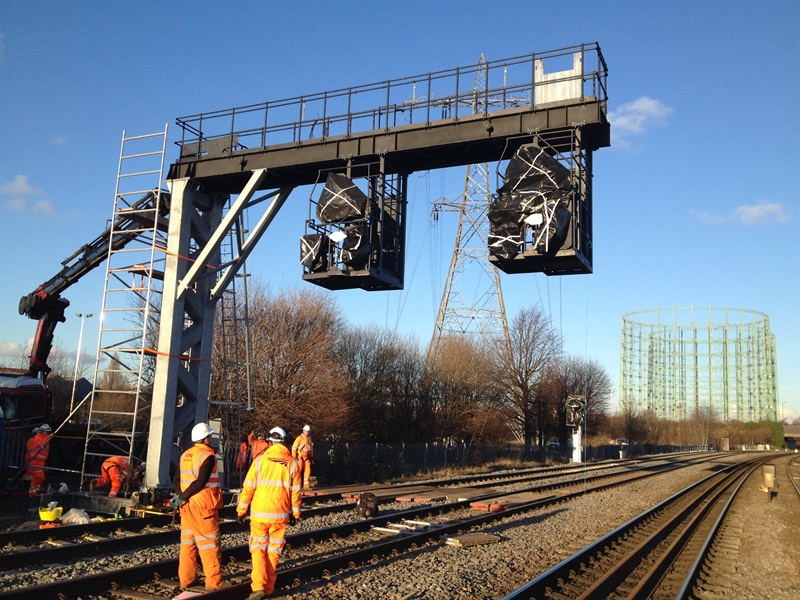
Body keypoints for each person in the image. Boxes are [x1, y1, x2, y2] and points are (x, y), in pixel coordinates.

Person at [237, 426, 302, 600]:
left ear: (270, 442)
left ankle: (258, 586)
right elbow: (295, 492)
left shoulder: (259, 461)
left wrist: (241, 511)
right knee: (274, 551)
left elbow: (248, 488)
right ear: (285, 442)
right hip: (280, 515)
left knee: (258, 549)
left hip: (259, 513)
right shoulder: (293, 463)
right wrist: (295, 513)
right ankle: (269, 588)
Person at [171, 422, 228, 591]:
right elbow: (200, 483)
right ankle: (214, 584)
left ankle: (186, 580)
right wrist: (184, 496)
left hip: (187, 507)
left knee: (188, 544)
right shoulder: (207, 457)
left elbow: (176, 481)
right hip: (203, 506)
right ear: (206, 439)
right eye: (209, 436)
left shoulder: (185, 455)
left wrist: (181, 497)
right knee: (209, 545)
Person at [24, 424, 51, 497]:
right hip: (35, 461)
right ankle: (33, 492)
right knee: (37, 477)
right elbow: (42, 445)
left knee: (40, 477)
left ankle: (36, 491)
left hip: (38, 461)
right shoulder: (38, 438)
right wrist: (49, 437)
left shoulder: (39, 438)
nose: (48, 433)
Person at [291, 425, 315, 489]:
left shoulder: (309, 439)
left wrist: (311, 456)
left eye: (308, 431)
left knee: (308, 469)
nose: (307, 432)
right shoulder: (299, 438)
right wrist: (294, 457)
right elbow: (294, 447)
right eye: (306, 431)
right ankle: (296, 484)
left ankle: (306, 485)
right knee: (298, 470)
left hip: (306, 457)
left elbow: (311, 448)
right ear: (303, 430)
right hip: (300, 457)